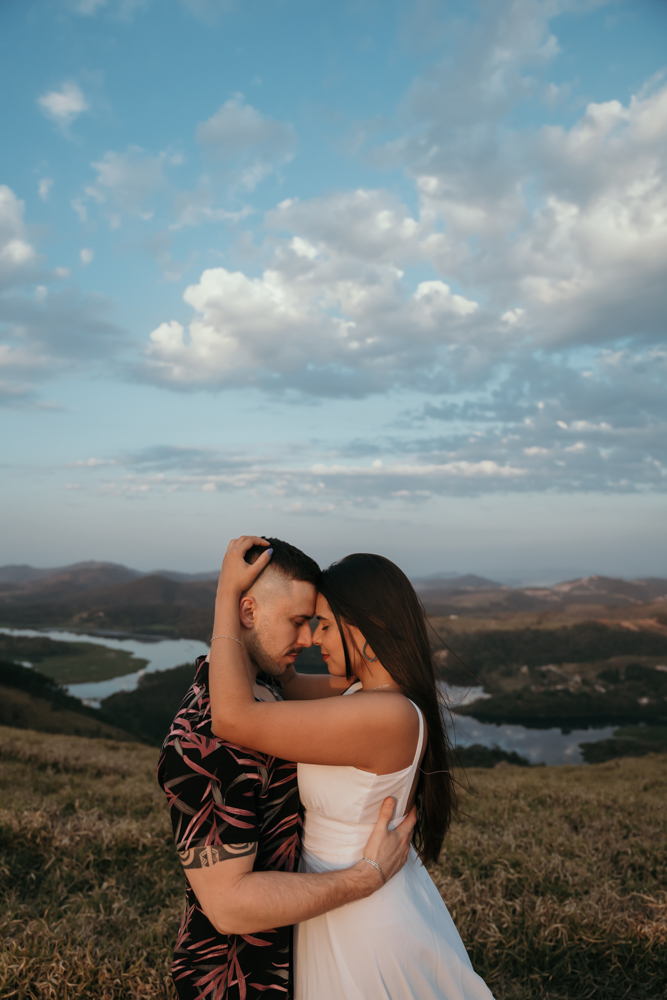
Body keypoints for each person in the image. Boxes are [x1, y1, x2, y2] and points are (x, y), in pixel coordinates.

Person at [207, 535, 496, 1000]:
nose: (313, 639)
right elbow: (287, 680)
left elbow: (232, 718)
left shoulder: (388, 715)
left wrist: (226, 596)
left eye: (322, 624)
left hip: (365, 921)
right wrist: (259, 617)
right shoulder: (364, 695)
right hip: (335, 899)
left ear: (365, 626)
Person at [157, 537, 416, 1000]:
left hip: (312, 947)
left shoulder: (269, 684)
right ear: (247, 611)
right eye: (299, 622)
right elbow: (229, 908)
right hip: (241, 977)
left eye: (318, 624)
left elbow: (329, 690)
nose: (309, 639)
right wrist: (365, 877)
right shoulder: (199, 744)